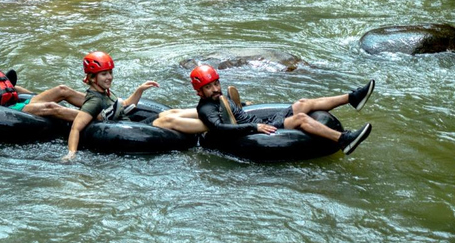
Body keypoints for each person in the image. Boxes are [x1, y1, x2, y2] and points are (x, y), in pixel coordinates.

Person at [185, 64, 374, 156]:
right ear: (199, 91)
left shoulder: (219, 98)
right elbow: (219, 129)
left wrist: (245, 106)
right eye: (209, 87)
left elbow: (235, 113)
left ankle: (352, 98)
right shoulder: (206, 108)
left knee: (302, 103)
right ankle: (343, 140)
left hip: (256, 121)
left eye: (216, 83)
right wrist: (255, 127)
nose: (216, 89)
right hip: (255, 129)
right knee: (300, 118)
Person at [63, 51, 160, 161]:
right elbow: (76, 128)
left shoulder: (105, 92)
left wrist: (140, 89)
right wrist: (71, 153)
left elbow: (126, 104)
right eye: (104, 74)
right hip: (128, 131)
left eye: (110, 72)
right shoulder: (95, 100)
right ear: (92, 78)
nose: (110, 77)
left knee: (166, 115)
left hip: (131, 123)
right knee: (167, 118)